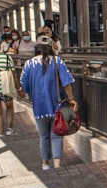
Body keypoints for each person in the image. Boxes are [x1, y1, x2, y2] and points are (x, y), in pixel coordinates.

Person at [20, 37, 77, 171]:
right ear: (51, 47)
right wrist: (71, 99)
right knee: (57, 136)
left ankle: (45, 163)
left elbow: (24, 87)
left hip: (39, 107)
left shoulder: (29, 64)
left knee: (44, 136)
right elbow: (67, 83)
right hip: (58, 106)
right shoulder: (57, 61)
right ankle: (57, 166)